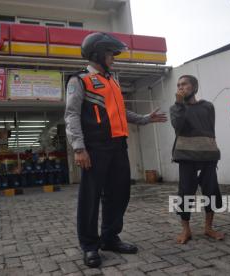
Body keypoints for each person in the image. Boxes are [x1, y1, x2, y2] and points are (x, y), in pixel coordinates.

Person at [64, 32, 167, 268]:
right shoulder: (79, 80)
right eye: (110, 53)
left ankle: (110, 238)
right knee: (90, 198)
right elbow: (71, 115)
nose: (113, 58)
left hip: (118, 146)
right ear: (98, 53)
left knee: (119, 194)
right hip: (95, 148)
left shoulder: (112, 81)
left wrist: (144, 119)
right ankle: (90, 245)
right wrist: (79, 148)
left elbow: (120, 112)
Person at [170, 75, 224, 244]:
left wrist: (213, 150)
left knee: (211, 191)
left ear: (194, 87)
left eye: (184, 84)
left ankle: (208, 228)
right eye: (178, 85)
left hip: (208, 156)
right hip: (186, 156)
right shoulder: (176, 108)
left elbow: (209, 128)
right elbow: (178, 126)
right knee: (185, 193)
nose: (180, 87)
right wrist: (179, 104)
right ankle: (186, 230)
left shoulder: (208, 106)